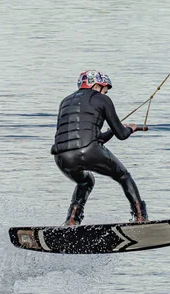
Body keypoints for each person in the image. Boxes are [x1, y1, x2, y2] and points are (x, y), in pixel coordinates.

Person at [51, 70, 148, 226]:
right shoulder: (102, 99)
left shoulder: (65, 101)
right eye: (105, 89)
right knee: (123, 176)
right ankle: (141, 217)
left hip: (62, 157)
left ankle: (72, 220)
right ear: (96, 85)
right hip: (89, 150)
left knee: (85, 182)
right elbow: (122, 135)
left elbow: (95, 137)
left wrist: (112, 131)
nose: (105, 93)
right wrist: (131, 128)